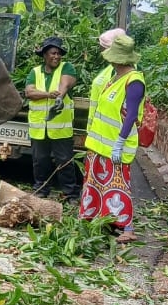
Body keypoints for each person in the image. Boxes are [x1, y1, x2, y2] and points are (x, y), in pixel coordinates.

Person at [80, 34, 145, 244]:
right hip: (99, 143)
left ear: (118, 58)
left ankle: (128, 228)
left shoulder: (134, 81)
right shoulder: (114, 78)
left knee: (117, 185)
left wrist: (119, 143)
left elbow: (131, 115)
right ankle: (99, 219)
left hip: (115, 145)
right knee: (96, 183)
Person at [25, 36, 78, 199]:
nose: (56, 56)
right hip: (39, 128)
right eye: (53, 53)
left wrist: (59, 96)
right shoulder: (35, 72)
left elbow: (66, 84)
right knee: (40, 161)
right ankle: (41, 190)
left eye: (58, 53)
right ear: (44, 55)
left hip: (60, 129)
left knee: (64, 162)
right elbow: (29, 93)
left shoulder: (67, 68)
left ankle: (70, 193)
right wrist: (48, 94)